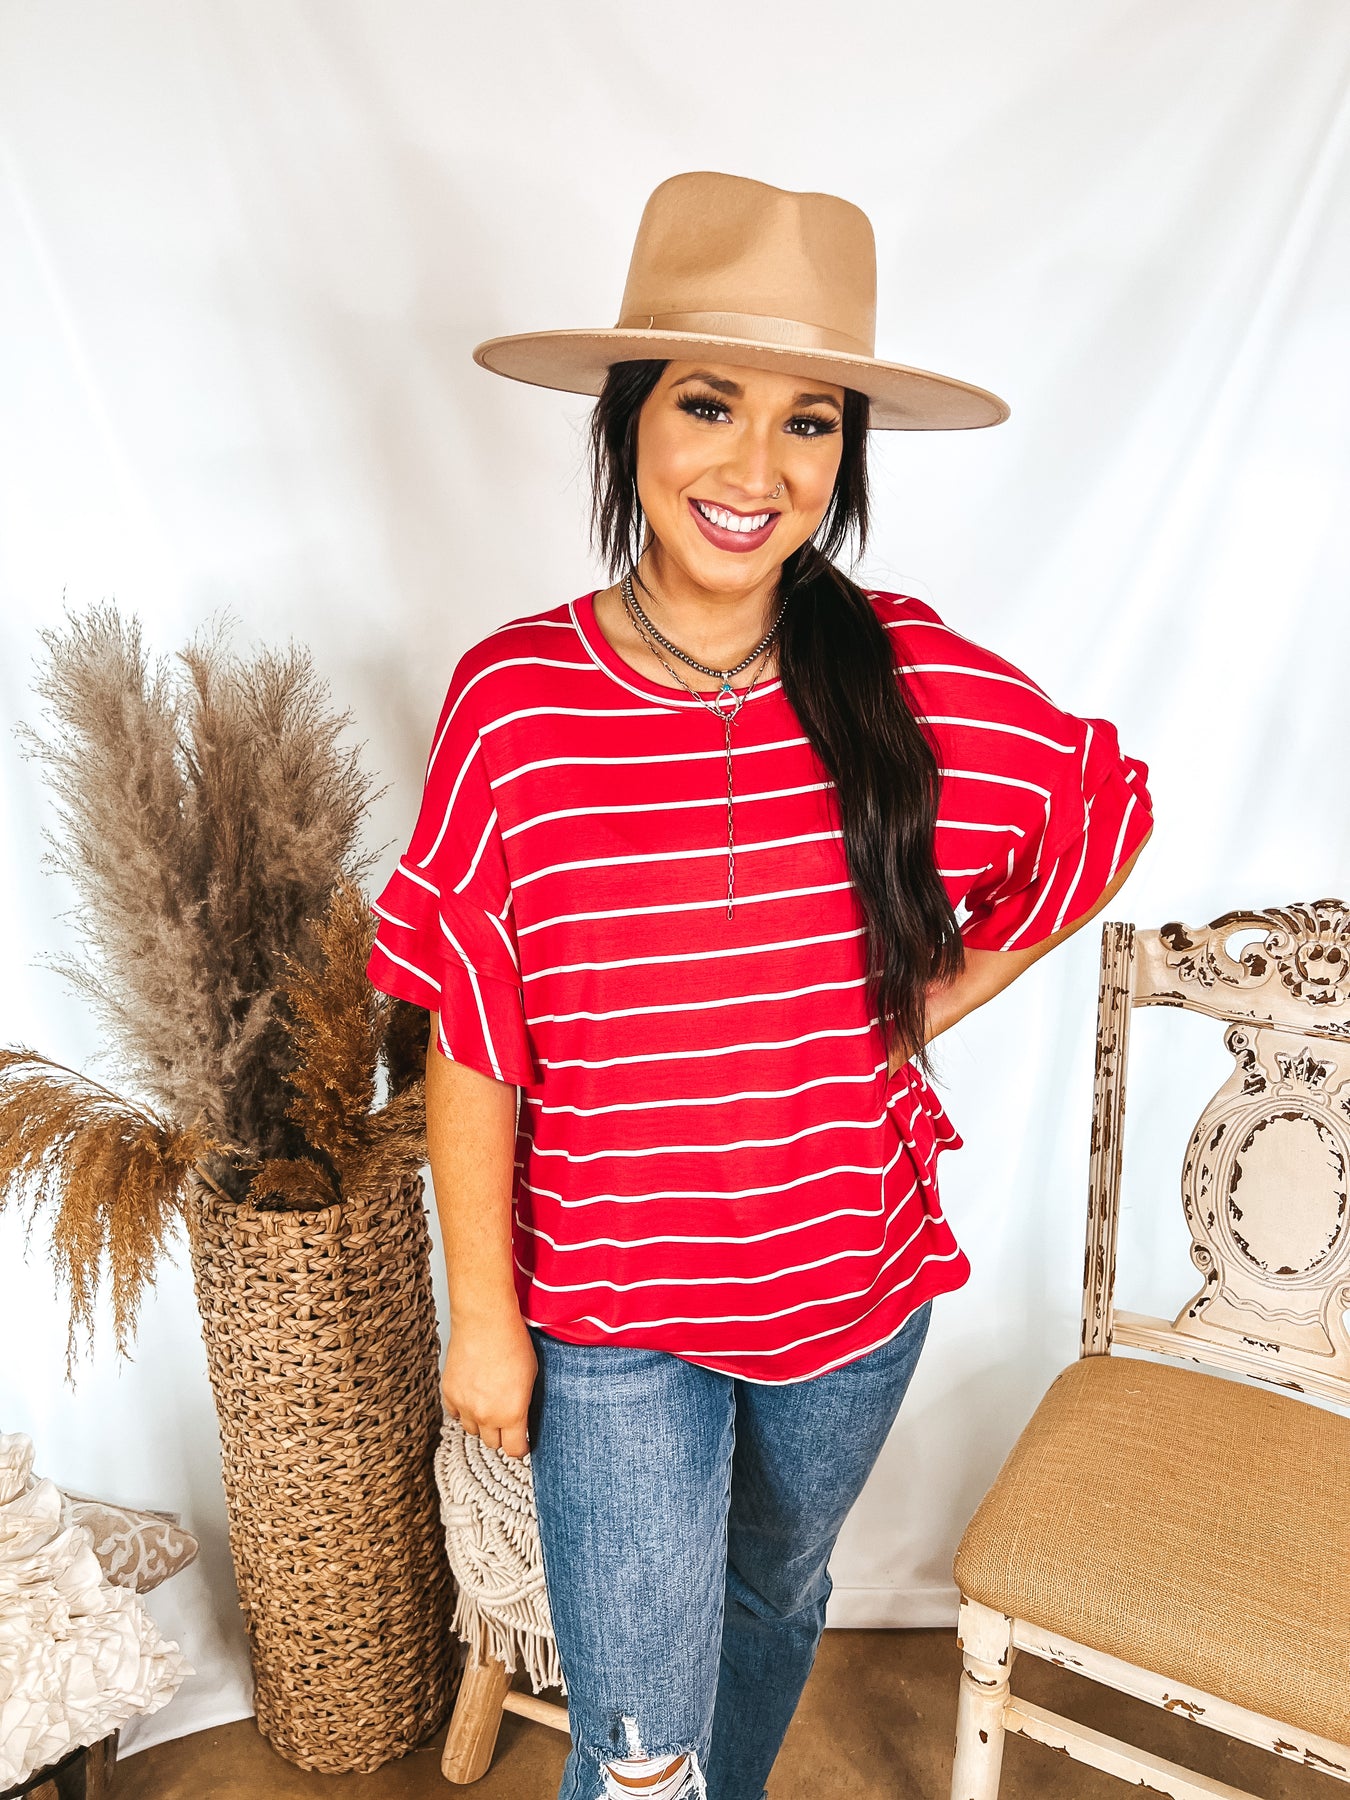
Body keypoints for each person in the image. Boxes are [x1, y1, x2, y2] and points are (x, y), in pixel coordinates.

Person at [366, 171, 1153, 1800]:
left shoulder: (906, 674)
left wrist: (908, 1007)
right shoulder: (517, 702)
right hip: (609, 1315)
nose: (754, 468)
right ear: (627, 423)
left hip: (848, 1284)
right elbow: (472, 1025)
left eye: (809, 423)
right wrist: (484, 1321)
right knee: (635, 1743)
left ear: (842, 457)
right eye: (709, 404)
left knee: (774, 1596)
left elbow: (1094, 814)